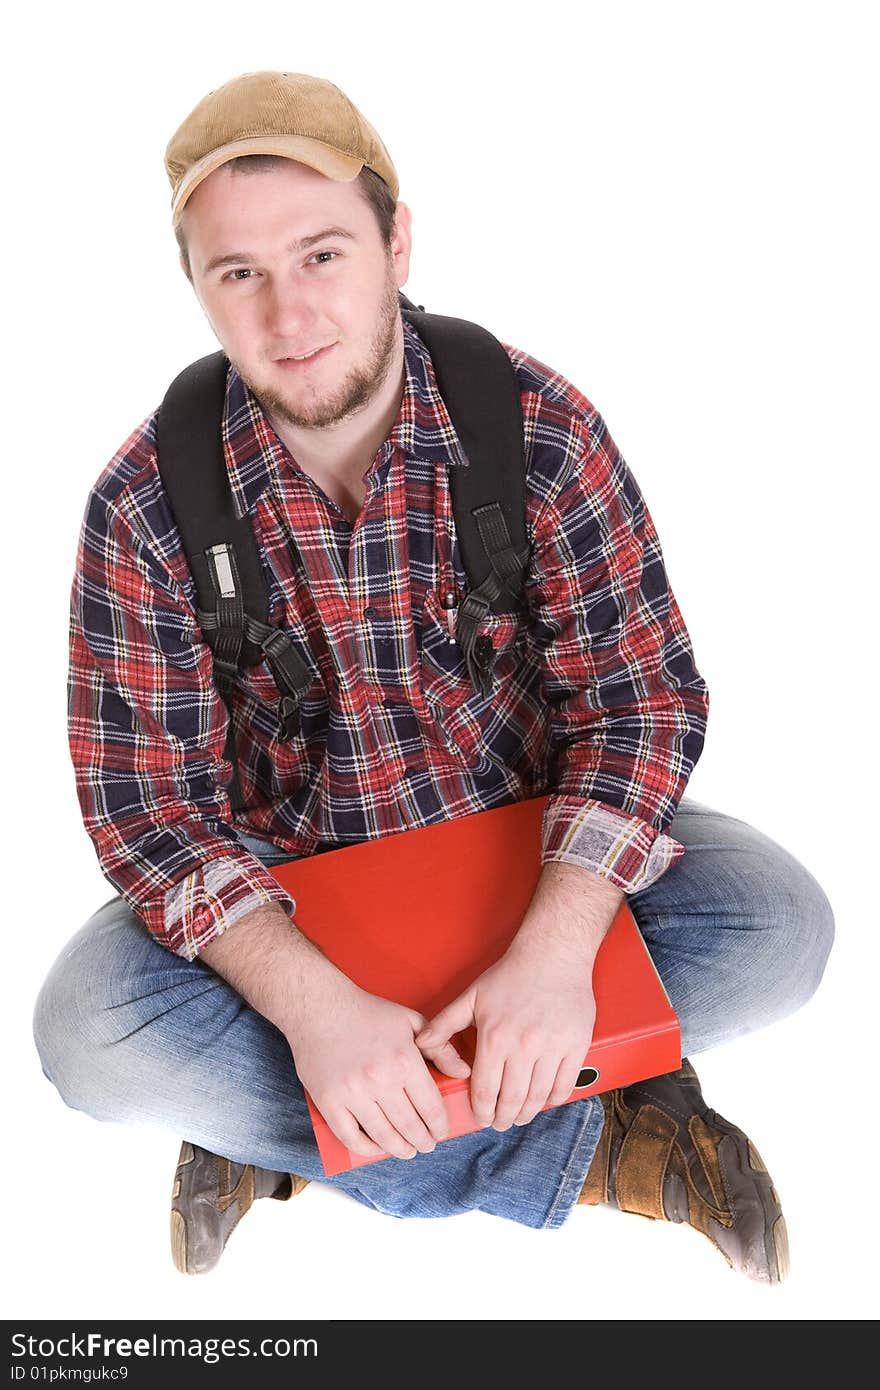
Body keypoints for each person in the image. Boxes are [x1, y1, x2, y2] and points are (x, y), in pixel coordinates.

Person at [33, 70, 834, 1284]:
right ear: (194, 286)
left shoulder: (533, 425)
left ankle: (286, 1135)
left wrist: (557, 957)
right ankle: (615, 1133)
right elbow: (152, 818)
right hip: (296, 916)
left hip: (525, 876)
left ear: (397, 239)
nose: (289, 315)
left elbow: (640, 704)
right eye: (236, 274)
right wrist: (311, 1012)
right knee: (89, 1040)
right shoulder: (144, 502)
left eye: (321, 254)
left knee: (780, 925)